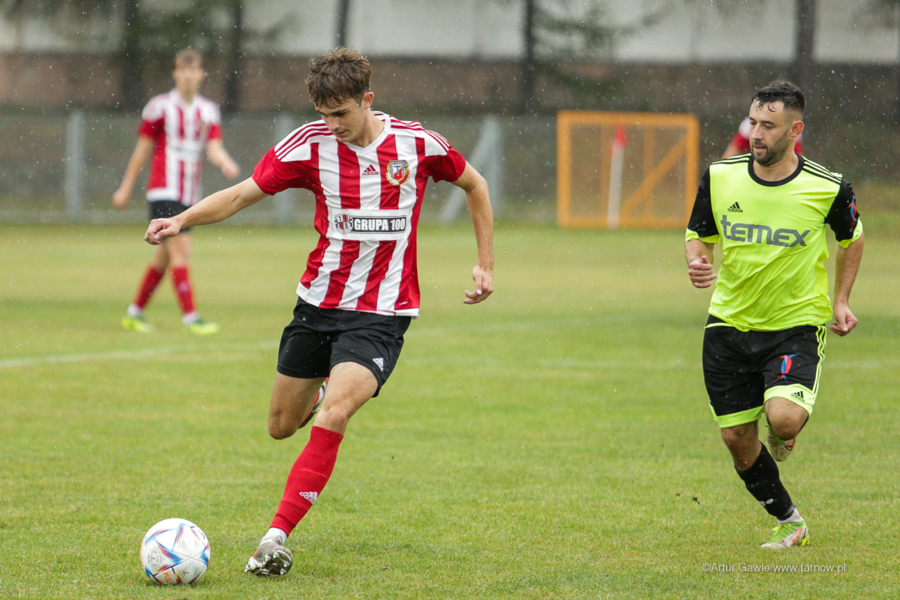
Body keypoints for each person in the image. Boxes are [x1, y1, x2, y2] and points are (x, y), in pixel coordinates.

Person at [143, 47, 494, 576]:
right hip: (317, 305)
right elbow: (240, 196)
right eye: (324, 115)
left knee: (336, 413)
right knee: (282, 427)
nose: (333, 126)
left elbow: (475, 184)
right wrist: (181, 220)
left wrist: (484, 264)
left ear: (368, 101)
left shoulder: (418, 144)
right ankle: (324, 390)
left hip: (381, 313)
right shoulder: (308, 146)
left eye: (343, 114)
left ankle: (274, 539)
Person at [685, 82, 863, 549]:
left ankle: (786, 429)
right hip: (727, 324)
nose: (756, 134)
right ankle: (790, 520)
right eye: (753, 123)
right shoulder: (721, 176)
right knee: (737, 438)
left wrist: (841, 299)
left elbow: (853, 238)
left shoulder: (827, 186)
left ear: (795, 129)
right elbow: (698, 233)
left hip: (794, 324)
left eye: (768, 126)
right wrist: (697, 258)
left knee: (781, 420)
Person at [113, 49, 240, 335]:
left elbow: (213, 148)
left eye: (193, 69)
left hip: (189, 194)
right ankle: (191, 317)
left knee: (164, 257)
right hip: (163, 190)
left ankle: (134, 313)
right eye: (182, 70)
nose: (187, 75)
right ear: (175, 74)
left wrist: (225, 162)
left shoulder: (208, 110)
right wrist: (125, 188)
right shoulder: (159, 107)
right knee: (181, 252)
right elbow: (142, 150)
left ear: (201, 74)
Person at [722, 116, 804, 159]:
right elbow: (727, 160)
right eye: (753, 124)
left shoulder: (790, 130)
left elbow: (797, 162)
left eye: (769, 127)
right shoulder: (748, 126)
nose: (756, 136)